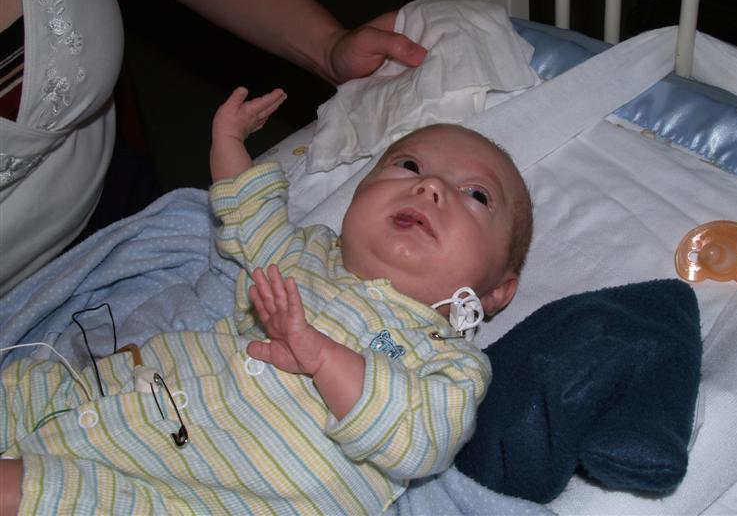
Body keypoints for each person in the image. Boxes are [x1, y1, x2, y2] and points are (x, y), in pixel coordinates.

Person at [0, 87, 533, 514]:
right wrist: (228, 140)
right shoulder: (306, 257)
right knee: (23, 389)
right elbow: (252, 214)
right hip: (114, 400)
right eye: (409, 166)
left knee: (30, 492)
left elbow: (420, 439)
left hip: (203, 496)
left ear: (496, 292)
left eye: (476, 194)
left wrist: (323, 357)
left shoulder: (448, 362)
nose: (430, 186)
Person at [0, 0, 427, 296]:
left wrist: (327, 47)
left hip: (117, 203)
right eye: (410, 166)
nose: (432, 188)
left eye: (466, 192)